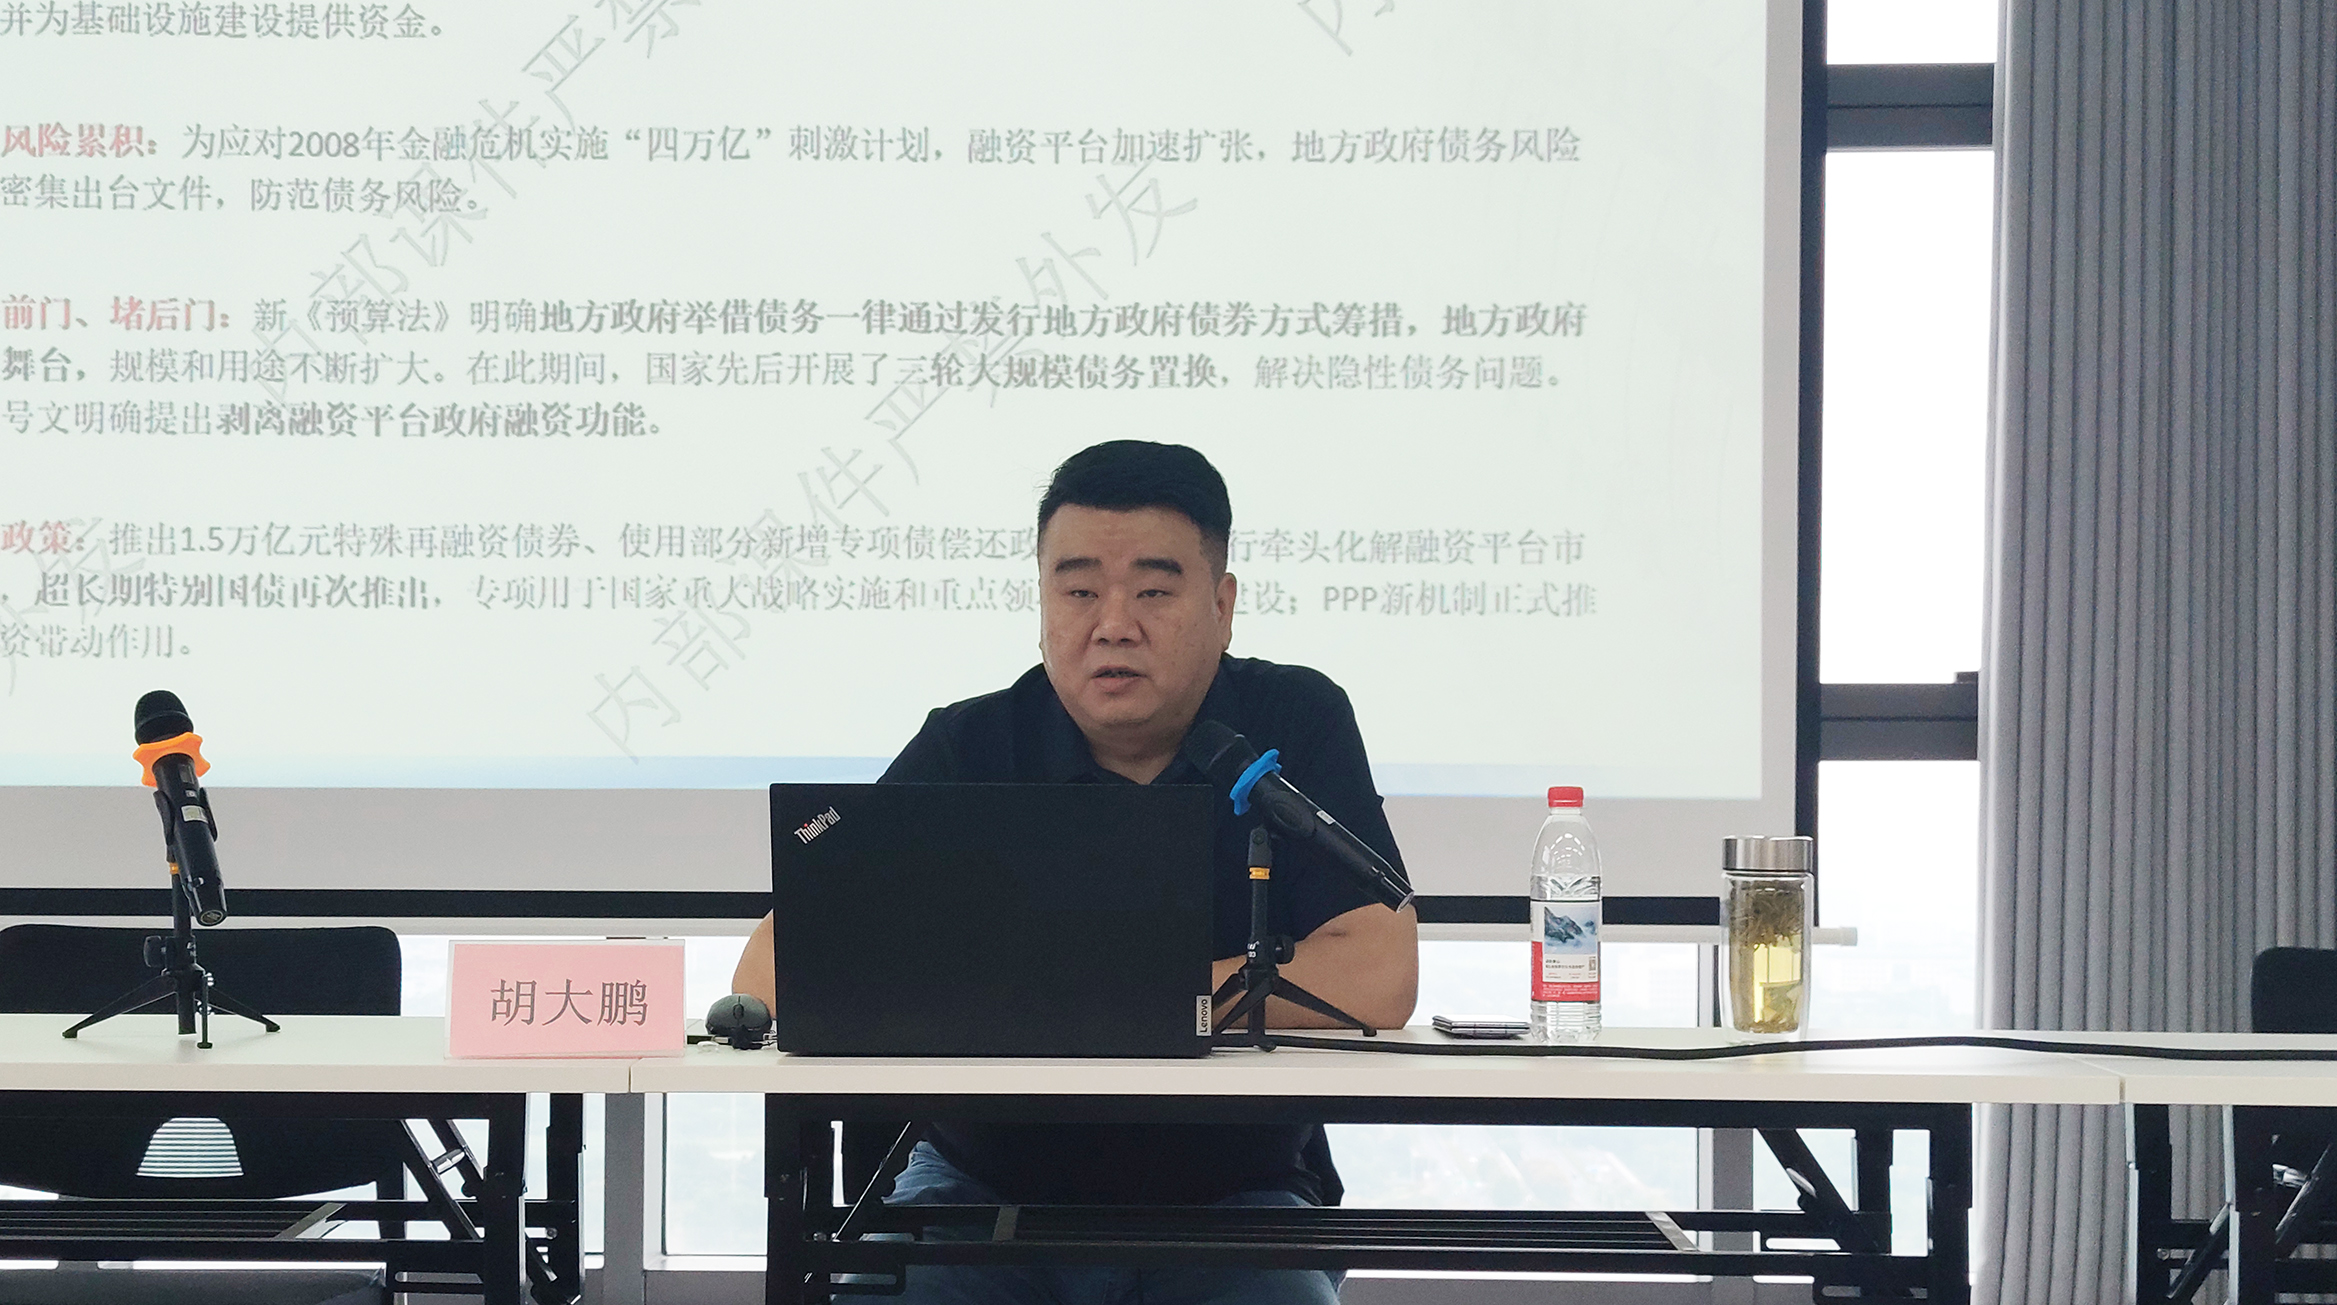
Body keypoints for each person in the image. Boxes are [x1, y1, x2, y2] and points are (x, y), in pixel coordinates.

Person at [733, 439, 1418, 1305]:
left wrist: (1114, 1004)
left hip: (1235, 1197)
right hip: (978, 1194)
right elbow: (772, 968)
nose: (1113, 624)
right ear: (1043, 602)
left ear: (1222, 605)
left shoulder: (1291, 721)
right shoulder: (971, 745)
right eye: (1079, 590)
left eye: (1154, 591)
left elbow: (1379, 971)